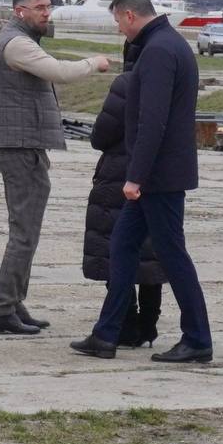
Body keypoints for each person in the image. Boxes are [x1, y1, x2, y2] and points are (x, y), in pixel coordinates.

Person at [69, 0, 211, 363]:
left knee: (172, 254)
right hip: (159, 174)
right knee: (121, 247)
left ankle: (197, 338)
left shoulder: (159, 52)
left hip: (158, 178)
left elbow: (153, 122)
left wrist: (136, 177)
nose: (119, 30)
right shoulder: (168, 45)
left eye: (117, 21)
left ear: (130, 15)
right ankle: (106, 335)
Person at [0, 0, 116, 336]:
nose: (47, 13)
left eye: (48, 7)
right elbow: (60, 71)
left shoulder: (21, 39)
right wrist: (95, 62)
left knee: (28, 231)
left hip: (26, 145)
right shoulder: (16, 44)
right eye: (41, 8)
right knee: (23, 232)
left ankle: (14, 301)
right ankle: (2, 309)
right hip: (19, 147)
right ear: (20, 11)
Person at [81, 62, 165, 346]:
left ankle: (126, 323)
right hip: (158, 174)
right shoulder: (168, 81)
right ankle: (149, 323)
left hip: (120, 174)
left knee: (115, 249)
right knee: (152, 253)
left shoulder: (127, 83)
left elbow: (101, 134)